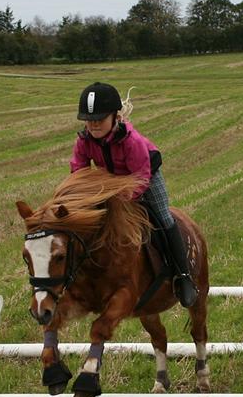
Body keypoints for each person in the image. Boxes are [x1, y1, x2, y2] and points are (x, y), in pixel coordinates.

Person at [70, 82, 198, 307]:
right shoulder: (83, 141)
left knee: (163, 217)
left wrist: (121, 201)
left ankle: (183, 276)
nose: (93, 124)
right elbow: (78, 171)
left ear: (115, 116)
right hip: (112, 182)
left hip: (145, 178)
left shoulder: (131, 141)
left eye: (99, 118)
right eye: (89, 119)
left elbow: (141, 176)